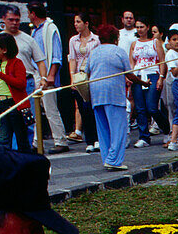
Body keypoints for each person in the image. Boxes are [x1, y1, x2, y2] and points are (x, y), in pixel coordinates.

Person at [87, 24, 140, 171]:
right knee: (118, 128)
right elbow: (129, 74)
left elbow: (87, 71)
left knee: (103, 128)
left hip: (96, 94)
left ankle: (107, 158)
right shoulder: (119, 51)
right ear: (115, 38)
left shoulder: (94, 52)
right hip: (113, 94)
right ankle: (114, 160)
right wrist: (142, 82)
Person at [26, 2, 69, 154]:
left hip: (46, 75)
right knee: (36, 109)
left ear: (33, 14)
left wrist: (51, 75)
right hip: (36, 74)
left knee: (50, 109)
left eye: (29, 13)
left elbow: (56, 55)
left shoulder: (50, 29)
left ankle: (60, 140)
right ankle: (36, 142)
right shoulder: (35, 31)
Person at [0, 33, 31, 154]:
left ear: (4, 50)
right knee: (4, 137)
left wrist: (1, 75)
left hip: (15, 104)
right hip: (1, 103)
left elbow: (21, 84)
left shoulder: (17, 63)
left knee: (21, 137)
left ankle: (24, 162)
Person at [129, 19, 166, 148]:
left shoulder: (155, 42)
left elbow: (162, 61)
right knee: (140, 108)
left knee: (151, 106)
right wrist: (131, 76)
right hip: (138, 75)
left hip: (152, 74)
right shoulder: (134, 43)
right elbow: (132, 62)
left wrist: (161, 78)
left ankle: (166, 129)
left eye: (142, 27)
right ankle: (144, 136)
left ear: (147, 27)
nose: (139, 29)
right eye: (137, 27)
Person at [67, 12, 100, 153]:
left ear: (86, 23)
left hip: (92, 74)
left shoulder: (96, 39)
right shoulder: (73, 40)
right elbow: (72, 59)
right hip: (79, 75)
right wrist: (72, 78)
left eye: (78, 21)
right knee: (82, 108)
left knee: (93, 108)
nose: (76, 24)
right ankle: (89, 140)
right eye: (75, 22)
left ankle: (98, 138)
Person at [0, 6, 46, 107]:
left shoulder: (28, 39)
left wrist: (43, 78)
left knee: (29, 118)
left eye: (17, 20)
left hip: (26, 82)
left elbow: (40, 61)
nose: (14, 23)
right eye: (11, 20)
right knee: (9, 119)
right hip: (5, 85)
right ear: (4, 19)